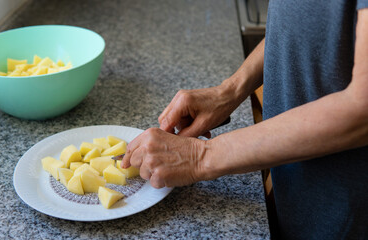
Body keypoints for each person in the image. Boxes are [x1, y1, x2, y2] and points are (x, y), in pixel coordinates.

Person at [122, 1, 368, 239]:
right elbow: (300, 19)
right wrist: (229, 91)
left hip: (345, 211)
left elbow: (362, 110)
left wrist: (200, 156)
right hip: (297, 192)